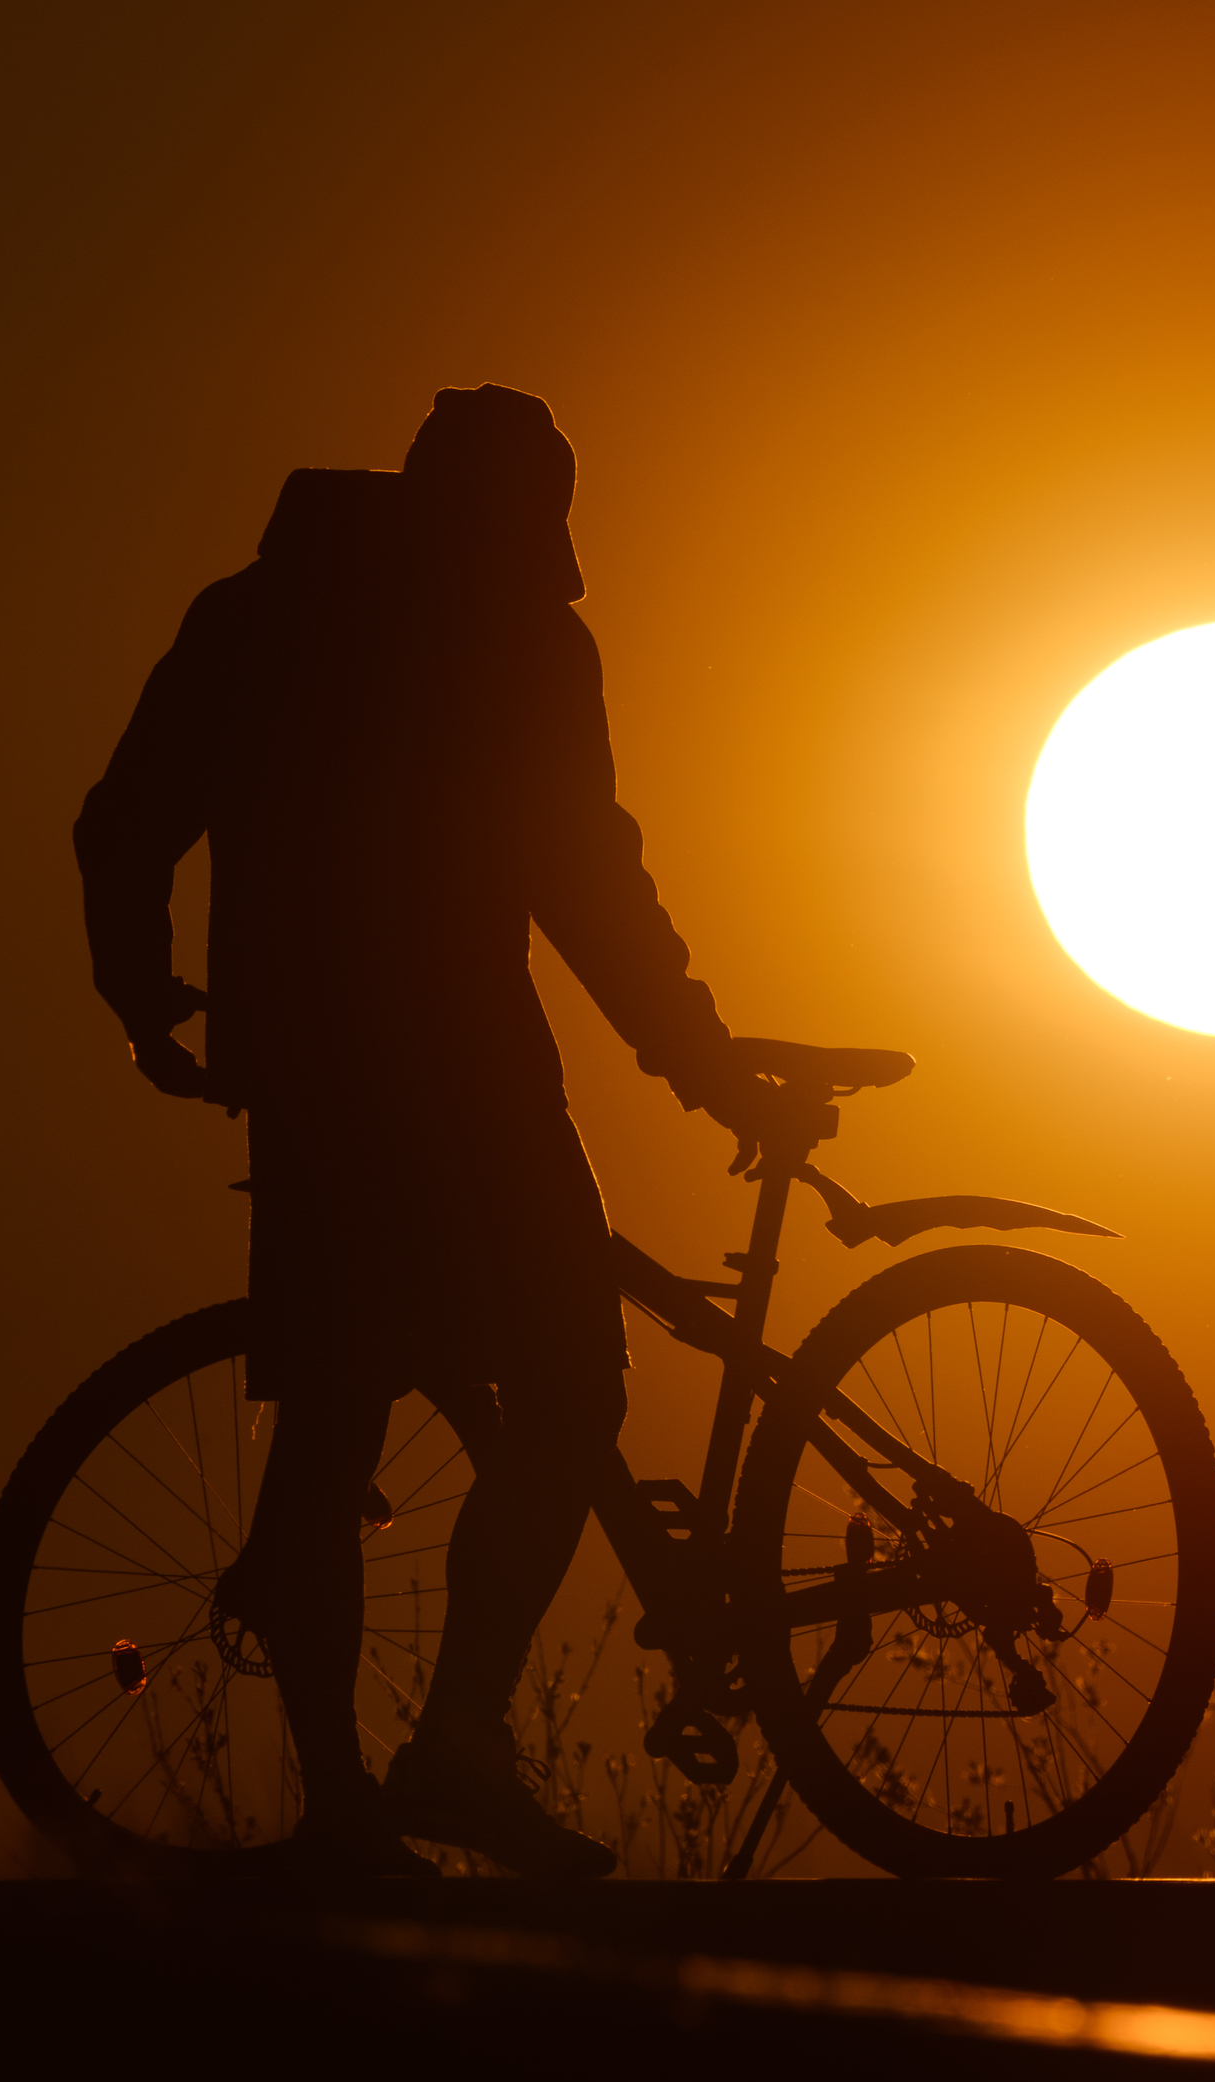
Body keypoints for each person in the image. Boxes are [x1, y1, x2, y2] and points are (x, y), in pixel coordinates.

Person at [73, 384, 770, 1876]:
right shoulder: (524, 640)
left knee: (330, 1426)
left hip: (306, 1077)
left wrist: (147, 997)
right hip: (472, 1084)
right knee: (575, 1393)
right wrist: (701, 1065)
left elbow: (122, 815)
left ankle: (339, 1812)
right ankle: (454, 1743)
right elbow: (589, 886)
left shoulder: (256, 614)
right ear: (534, 518)